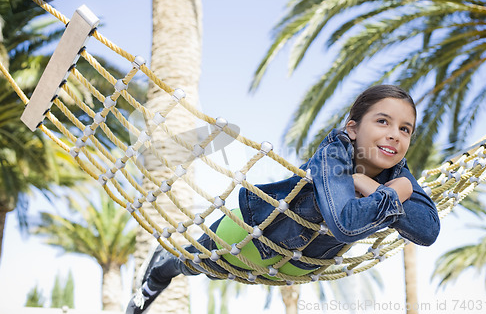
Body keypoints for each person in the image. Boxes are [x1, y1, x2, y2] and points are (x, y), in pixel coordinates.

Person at [125, 85, 440, 313]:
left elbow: (428, 230)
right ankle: (161, 271)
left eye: (405, 129)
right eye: (383, 121)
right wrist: (397, 194)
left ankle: (167, 268)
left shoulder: (398, 174)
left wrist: (374, 187)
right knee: (194, 262)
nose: (395, 135)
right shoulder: (333, 155)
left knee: (206, 267)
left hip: (296, 265)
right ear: (353, 128)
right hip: (249, 233)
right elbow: (346, 223)